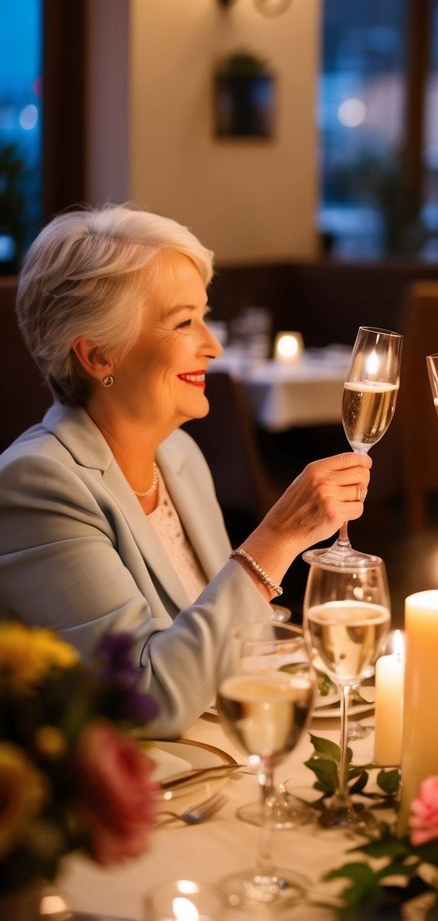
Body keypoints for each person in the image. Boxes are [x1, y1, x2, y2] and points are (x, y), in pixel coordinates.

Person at [0, 204, 371, 737]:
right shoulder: (39, 486)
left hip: (220, 753)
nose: (213, 346)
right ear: (99, 355)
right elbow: (145, 698)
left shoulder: (178, 456)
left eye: (204, 315)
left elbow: (234, 639)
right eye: (184, 323)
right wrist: (279, 538)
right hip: (133, 795)